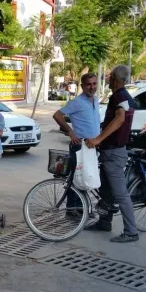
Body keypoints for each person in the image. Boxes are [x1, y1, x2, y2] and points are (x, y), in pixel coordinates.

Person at [85, 65, 138, 243]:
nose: (107, 79)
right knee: (105, 191)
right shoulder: (124, 96)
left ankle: (131, 232)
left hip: (114, 153)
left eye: (109, 76)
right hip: (110, 152)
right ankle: (104, 222)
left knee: (120, 194)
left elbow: (120, 118)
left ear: (115, 78)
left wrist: (99, 138)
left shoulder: (119, 96)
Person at [53, 73, 101, 216]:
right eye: (88, 84)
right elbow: (57, 115)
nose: (92, 87)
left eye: (94, 84)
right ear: (82, 86)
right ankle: (71, 208)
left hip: (92, 146)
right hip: (79, 145)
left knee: (86, 177)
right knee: (76, 177)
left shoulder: (96, 100)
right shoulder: (77, 102)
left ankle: (81, 208)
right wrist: (70, 132)